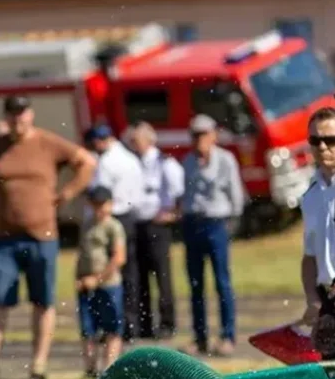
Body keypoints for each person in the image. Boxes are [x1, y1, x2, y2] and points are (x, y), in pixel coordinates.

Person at [0, 95, 95, 379]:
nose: (17, 119)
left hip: (42, 236)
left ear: (30, 115)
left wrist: (67, 194)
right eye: (12, 114)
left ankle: (38, 365)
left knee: (43, 302)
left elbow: (86, 162)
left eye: (22, 113)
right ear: (6, 117)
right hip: (3, 238)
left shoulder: (49, 143)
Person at [180, 114, 245, 357]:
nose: (199, 140)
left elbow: (235, 193)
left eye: (204, 134)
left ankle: (227, 335)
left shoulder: (226, 160)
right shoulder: (188, 161)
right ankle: (200, 338)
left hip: (217, 223)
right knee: (196, 284)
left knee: (222, 281)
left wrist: (232, 223)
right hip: (193, 223)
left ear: (213, 135)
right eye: (195, 135)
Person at [298, 108, 335, 359]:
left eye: (331, 140)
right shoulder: (311, 194)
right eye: (314, 140)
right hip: (331, 301)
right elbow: (309, 257)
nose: (322, 146)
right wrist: (314, 302)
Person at [84, 123, 144, 342]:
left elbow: (98, 193)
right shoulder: (130, 158)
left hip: (112, 215)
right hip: (129, 215)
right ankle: (132, 323)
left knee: (111, 271)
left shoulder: (106, 162)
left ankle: (115, 325)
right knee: (130, 273)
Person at [126, 121, 184, 340]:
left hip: (157, 226)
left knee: (162, 276)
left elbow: (179, 192)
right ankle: (144, 324)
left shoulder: (164, 163)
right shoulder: (132, 162)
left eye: (137, 140)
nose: (133, 143)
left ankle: (167, 323)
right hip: (137, 224)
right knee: (139, 277)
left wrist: (172, 215)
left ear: (149, 140)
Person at [76, 187, 127, 378]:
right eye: (95, 205)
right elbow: (81, 255)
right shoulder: (87, 225)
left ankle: (109, 368)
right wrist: (79, 278)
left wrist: (97, 280)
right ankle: (90, 368)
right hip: (86, 285)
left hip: (108, 285)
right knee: (87, 328)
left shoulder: (114, 227)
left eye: (103, 204)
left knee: (112, 327)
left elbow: (118, 258)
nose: (100, 209)